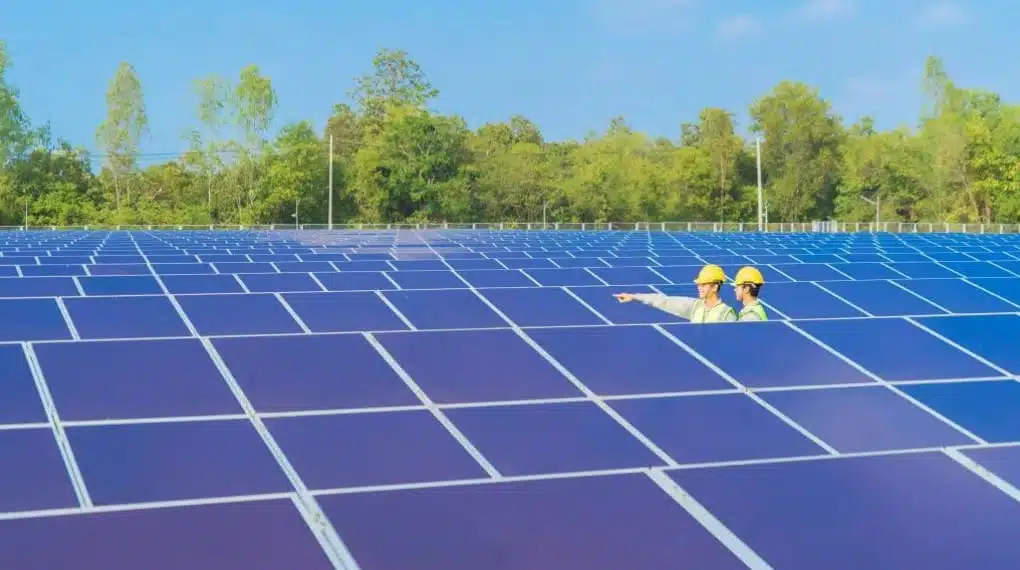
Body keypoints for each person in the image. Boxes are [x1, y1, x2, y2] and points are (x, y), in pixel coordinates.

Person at [614, 264, 737, 323]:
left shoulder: (726, 313)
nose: (699, 288)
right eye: (699, 284)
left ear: (715, 287)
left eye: (703, 285)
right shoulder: (695, 306)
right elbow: (665, 301)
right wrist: (634, 296)